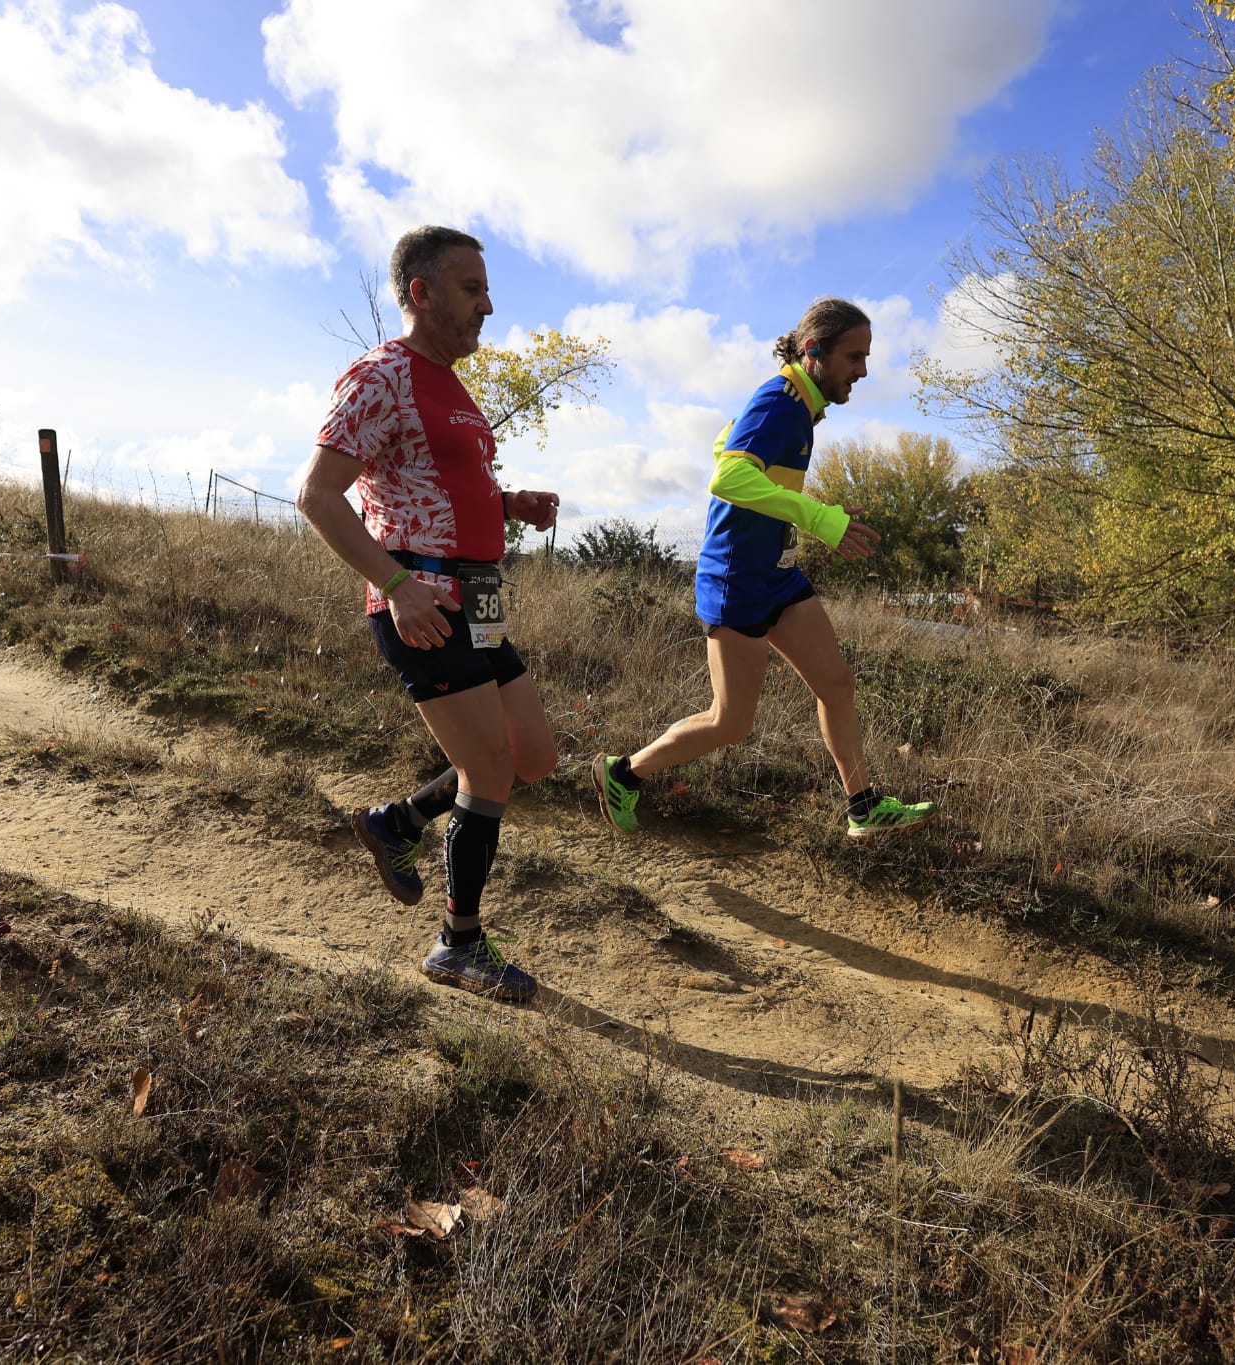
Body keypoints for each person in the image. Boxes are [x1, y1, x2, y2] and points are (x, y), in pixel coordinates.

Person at [297, 225, 561, 1003]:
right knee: (490, 769)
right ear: (422, 293)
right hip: (423, 601)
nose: (489, 304)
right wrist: (397, 584)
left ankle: (397, 823)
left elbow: (433, 482)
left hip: (476, 599)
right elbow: (317, 495)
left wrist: (509, 502)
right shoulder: (383, 376)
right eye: (473, 288)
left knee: (533, 754)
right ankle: (460, 945)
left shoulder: (454, 386)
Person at [592, 297, 938, 841]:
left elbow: (737, 459)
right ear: (813, 351)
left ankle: (863, 805)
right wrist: (821, 518)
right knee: (731, 723)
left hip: (778, 576)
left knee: (837, 685)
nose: (864, 371)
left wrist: (730, 447)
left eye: (866, 357)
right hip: (736, 583)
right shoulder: (780, 401)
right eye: (855, 356)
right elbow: (727, 480)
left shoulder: (799, 406)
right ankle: (623, 773)